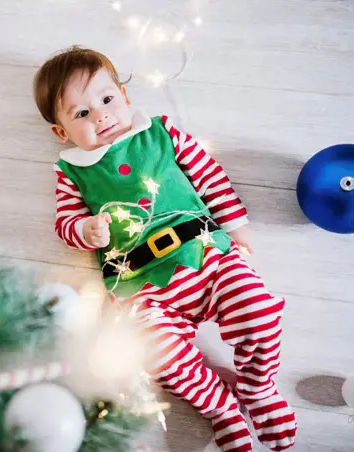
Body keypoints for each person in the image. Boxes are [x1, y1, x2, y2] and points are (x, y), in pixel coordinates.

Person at [33, 46, 296, 452]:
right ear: (61, 132)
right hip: (141, 288)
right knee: (156, 355)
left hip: (205, 254)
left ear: (125, 96)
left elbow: (209, 176)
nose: (100, 115)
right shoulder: (72, 171)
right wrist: (85, 229)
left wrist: (236, 226)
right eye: (81, 113)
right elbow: (65, 223)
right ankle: (221, 408)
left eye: (106, 100)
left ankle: (259, 387)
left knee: (257, 310)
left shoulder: (160, 133)